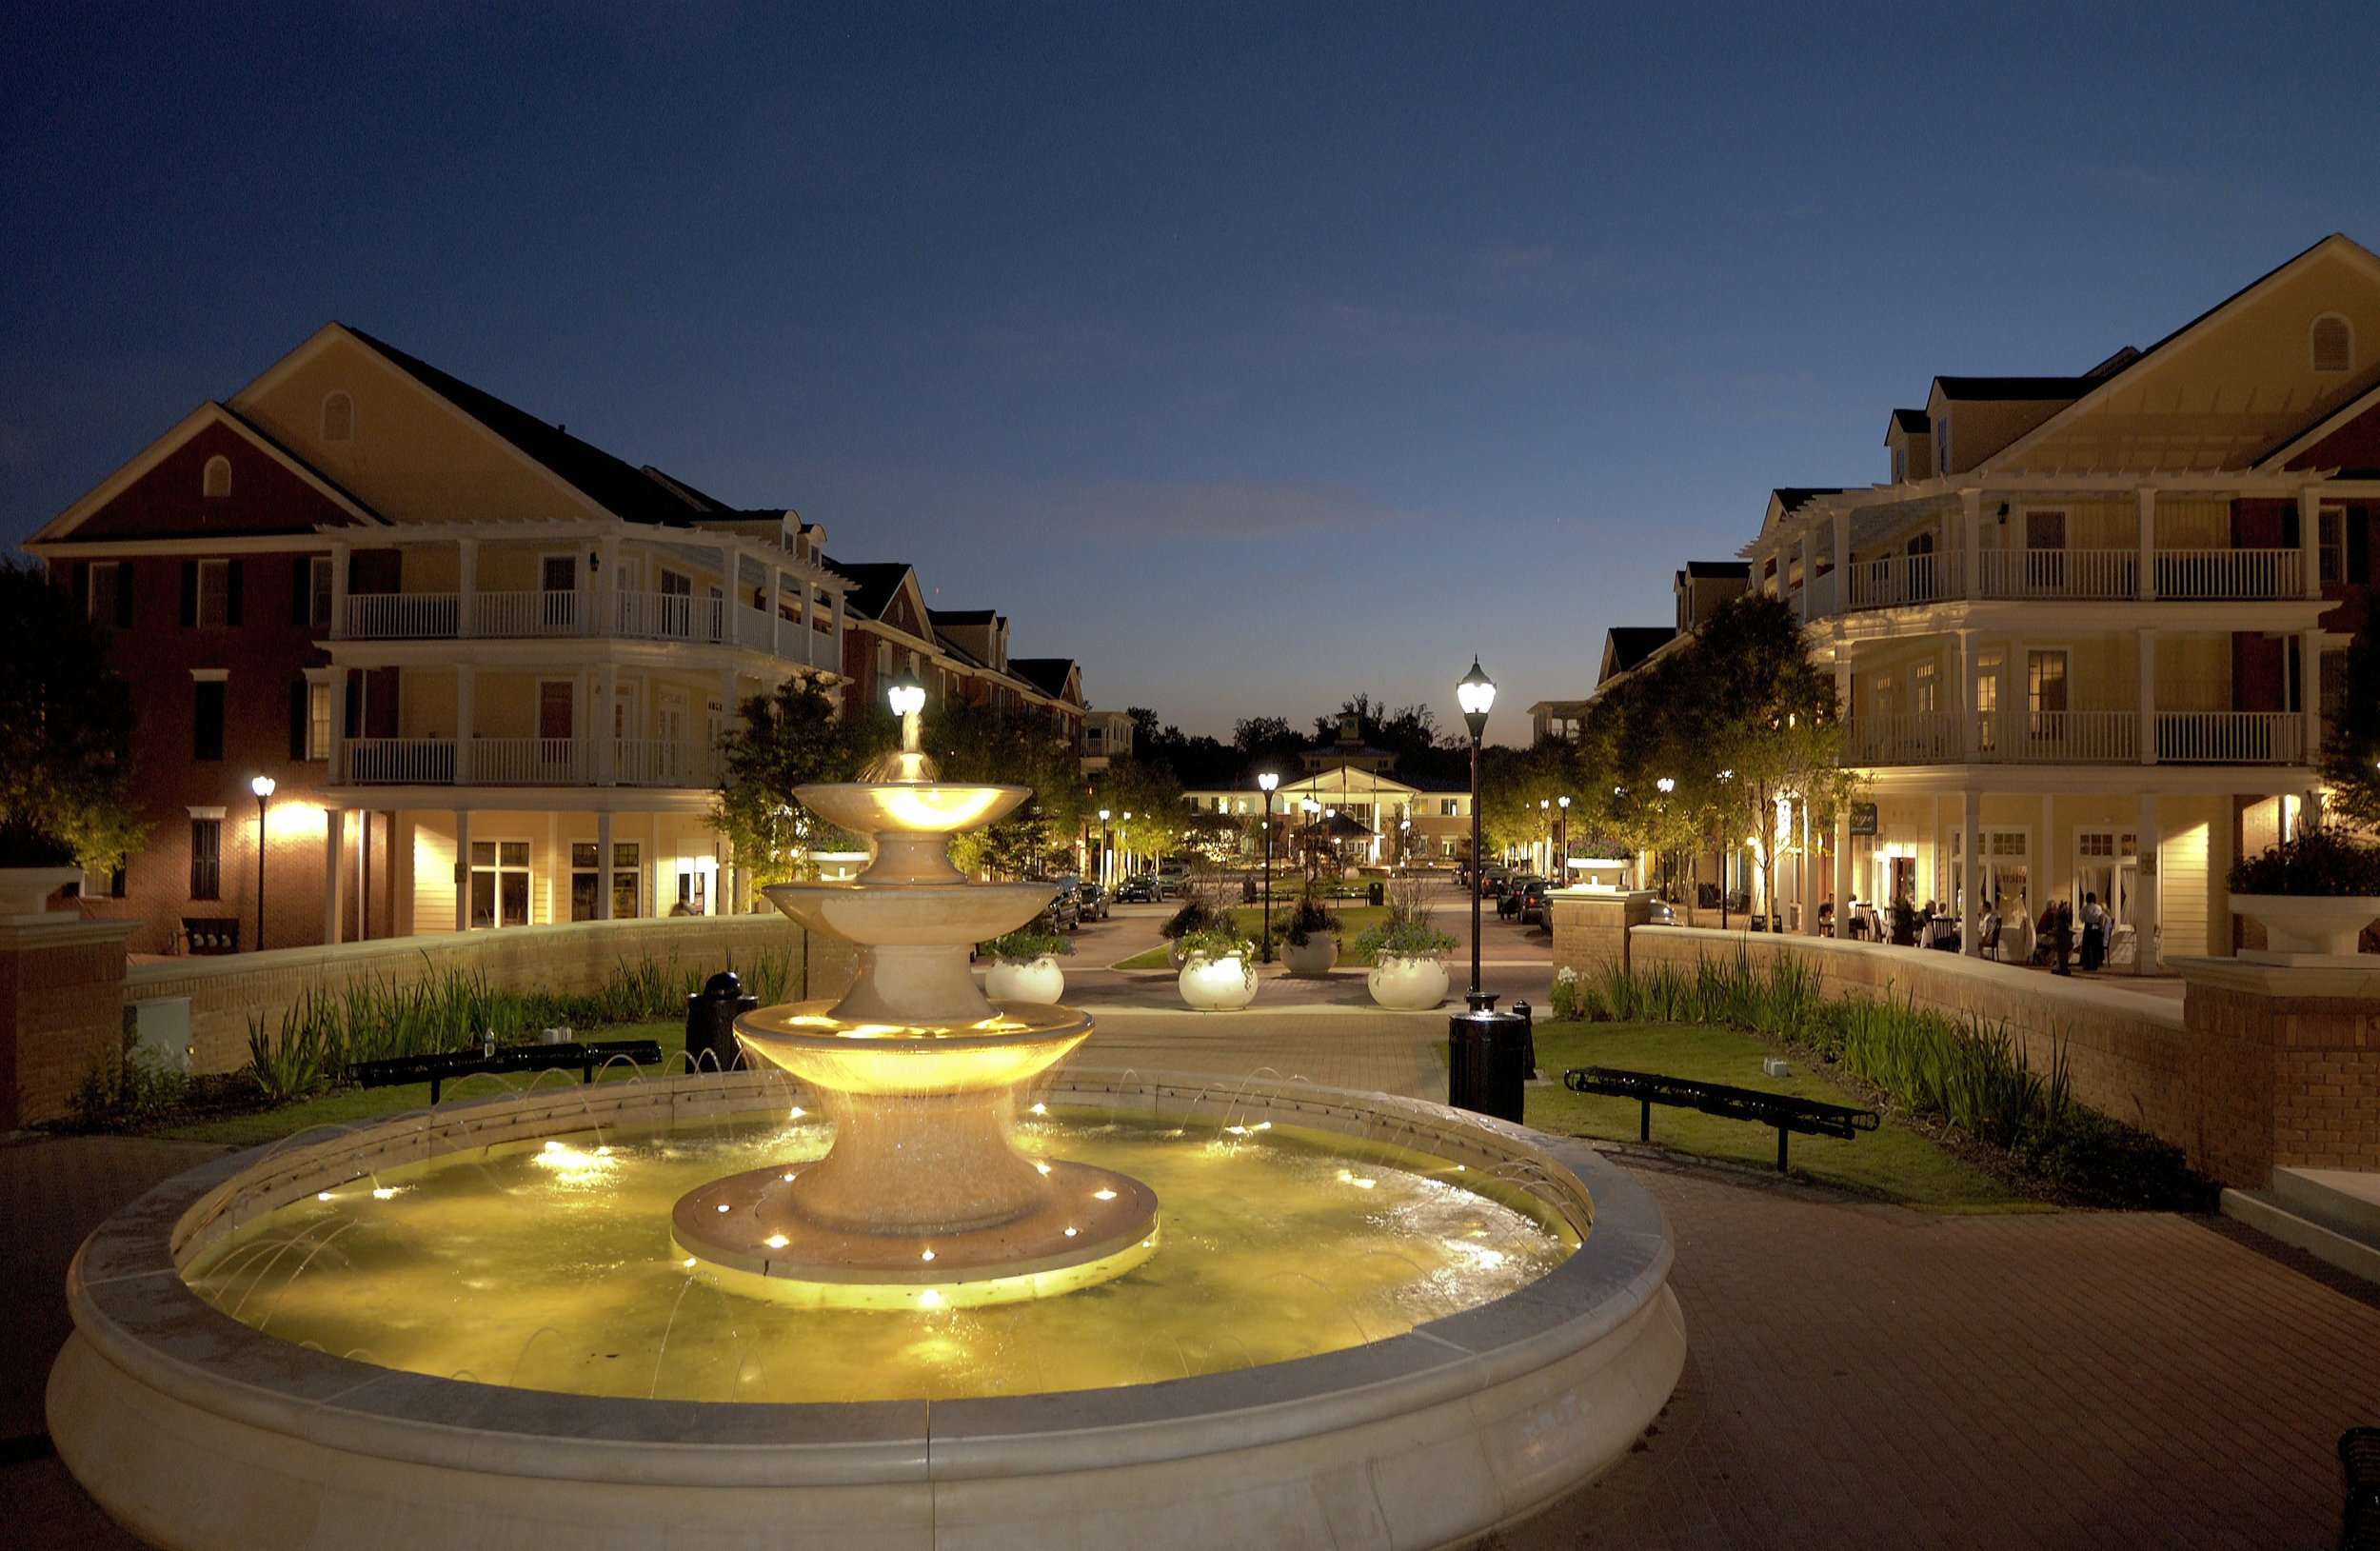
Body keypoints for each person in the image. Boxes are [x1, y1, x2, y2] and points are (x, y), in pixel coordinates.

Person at [2080, 892, 2107, 971]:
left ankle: (2087, 964)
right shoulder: (2098, 908)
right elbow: (2098, 917)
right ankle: (2095, 964)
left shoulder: (2084, 908)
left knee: (2086, 947)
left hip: (2088, 927)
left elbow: (2082, 920)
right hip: (2095, 927)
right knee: (2095, 947)